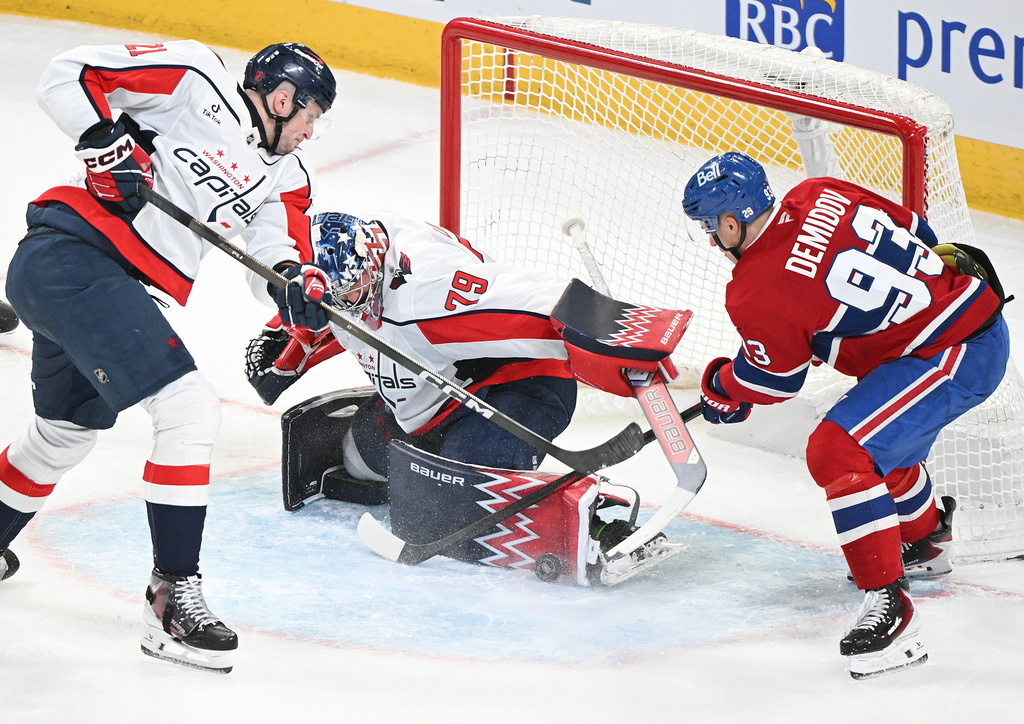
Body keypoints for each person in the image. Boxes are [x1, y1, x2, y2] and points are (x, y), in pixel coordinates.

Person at [0, 39, 337, 674]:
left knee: (61, 438)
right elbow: (66, 72)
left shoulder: (285, 176)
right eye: (311, 115)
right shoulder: (194, 79)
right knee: (188, 407)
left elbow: (276, 256)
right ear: (283, 98)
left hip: (109, 287)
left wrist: (295, 288)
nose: (312, 132)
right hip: (71, 256)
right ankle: (170, 598)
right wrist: (103, 140)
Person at [681, 151, 1009, 679]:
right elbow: (919, 229)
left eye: (709, 228)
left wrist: (723, 385)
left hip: (953, 350)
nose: (711, 241)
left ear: (729, 220)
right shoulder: (821, 191)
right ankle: (925, 540)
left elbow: (774, 381)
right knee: (877, 444)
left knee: (839, 449)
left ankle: (890, 609)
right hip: (964, 318)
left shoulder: (755, 289)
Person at [245, 211, 686, 580]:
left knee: (456, 502)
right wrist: (288, 344)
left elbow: (531, 302)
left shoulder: (431, 293)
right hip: (439, 389)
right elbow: (325, 302)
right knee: (360, 459)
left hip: (518, 387)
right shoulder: (356, 262)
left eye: (352, 294)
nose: (347, 306)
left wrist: (617, 332)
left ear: (372, 265)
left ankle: (602, 534)